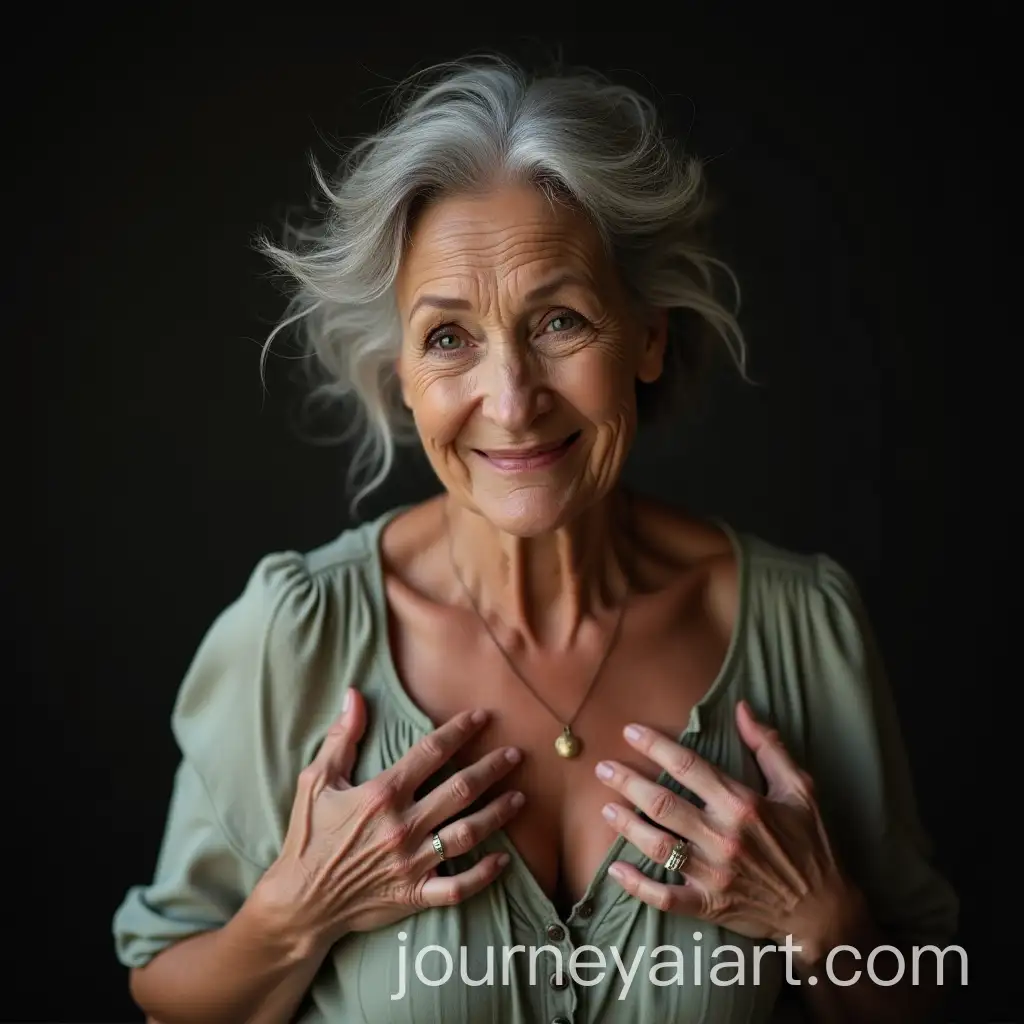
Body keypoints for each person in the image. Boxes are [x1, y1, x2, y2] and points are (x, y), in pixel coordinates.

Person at [112, 55, 958, 1024]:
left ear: (647, 336)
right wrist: (294, 917)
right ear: (400, 376)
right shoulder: (293, 633)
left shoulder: (803, 626)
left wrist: (826, 925)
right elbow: (164, 990)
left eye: (560, 320)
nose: (511, 401)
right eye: (448, 337)